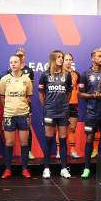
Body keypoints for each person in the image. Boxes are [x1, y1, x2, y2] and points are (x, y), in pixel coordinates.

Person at [0, 55, 33, 179]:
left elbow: (28, 96)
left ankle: (25, 169)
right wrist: (9, 107)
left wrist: (21, 106)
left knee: (24, 143)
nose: (13, 64)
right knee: (9, 142)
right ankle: (8, 169)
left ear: (20, 63)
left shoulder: (26, 79)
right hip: (9, 115)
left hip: (23, 115)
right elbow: (1, 97)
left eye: (15, 62)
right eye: (11, 62)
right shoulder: (4, 79)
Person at [38, 50, 72, 178]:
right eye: (58, 57)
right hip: (50, 112)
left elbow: (68, 93)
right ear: (52, 58)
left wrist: (64, 104)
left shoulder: (67, 75)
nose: (61, 59)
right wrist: (46, 106)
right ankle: (46, 168)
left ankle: (63, 168)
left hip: (63, 112)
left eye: (62, 57)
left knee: (63, 140)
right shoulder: (45, 75)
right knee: (49, 140)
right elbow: (41, 94)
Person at [78, 49, 101, 178]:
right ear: (92, 58)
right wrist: (92, 95)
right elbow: (80, 93)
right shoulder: (85, 74)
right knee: (89, 139)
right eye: (99, 56)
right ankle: (87, 168)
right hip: (91, 113)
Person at [7, 47, 36, 161]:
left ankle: (29, 151)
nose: (19, 57)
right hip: (11, 108)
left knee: (27, 128)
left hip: (25, 106)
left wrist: (24, 102)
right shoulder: (9, 72)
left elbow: (30, 91)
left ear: (24, 57)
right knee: (10, 133)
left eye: (21, 55)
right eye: (17, 55)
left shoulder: (29, 71)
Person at [63, 52, 80, 159]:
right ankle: (59, 152)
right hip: (62, 105)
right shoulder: (58, 74)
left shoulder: (76, 74)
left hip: (73, 104)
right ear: (63, 60)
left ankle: (73, 150)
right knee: (61, 129)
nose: (68, 61)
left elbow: (78, 89)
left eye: (70, 59)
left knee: (72, 128)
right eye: (66, 59)